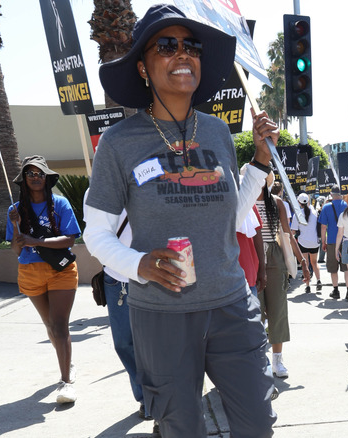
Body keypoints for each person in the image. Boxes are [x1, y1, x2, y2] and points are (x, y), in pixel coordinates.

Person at [84, 5, 281, 436]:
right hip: (161, 315)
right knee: (182, 429)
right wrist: (139, 265)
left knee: (258, 425)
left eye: (190, 46)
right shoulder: (118, 143)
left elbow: (231, 213)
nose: (182, 54)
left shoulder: (216, 132)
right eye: (166, 46)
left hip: (232, 304)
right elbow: (95, 233)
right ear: (142, 66)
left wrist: (260, 163)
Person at [6, 155, 81, 404]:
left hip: (60, 271)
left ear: (47, 178)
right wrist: (19, 240)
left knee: (60, 325)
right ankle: (66, 360)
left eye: (40, 174)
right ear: (24, 180)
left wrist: (36, 240)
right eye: (30, 174)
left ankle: (66, 382)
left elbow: (70, 239)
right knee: (49, 325)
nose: (36, 178)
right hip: (30, 271)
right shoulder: (14, 211)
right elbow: (17, 251)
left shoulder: (60, 203)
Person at [83, 194, 152, 420]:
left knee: (154, 343)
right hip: (116, 279)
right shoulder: (97, 191)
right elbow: (94, 236)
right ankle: (144, 397)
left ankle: (158, 400)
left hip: (152, 276)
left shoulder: (148, 181)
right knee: (124, 342)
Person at [256, 174, 310, 379]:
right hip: (252, 258)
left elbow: (287, 234)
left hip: (275, 257)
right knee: (256, 312)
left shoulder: (277, 202)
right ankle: (260, 360)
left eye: (263, 177)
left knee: (278, 309)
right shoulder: (244, 199)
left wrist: (302, 262)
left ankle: (277, 359)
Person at [319, 185, 348, 299]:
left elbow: (323, 227)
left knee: (333, 267)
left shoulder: (326, 207)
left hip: (332, 240)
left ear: (331, 194)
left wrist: (323, 242)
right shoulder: (347, 206)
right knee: (346, 267)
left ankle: (335, 290)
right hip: (345, 240)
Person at [291, 193, 321, 293]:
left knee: (306, 263)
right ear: (308, 201)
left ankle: (307, 285)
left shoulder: (297, 215)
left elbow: (293, 230)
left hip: (303, 242)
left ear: (299, 202)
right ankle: (318, 280)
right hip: (314, 242)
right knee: (315, 262)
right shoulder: (314, 211)